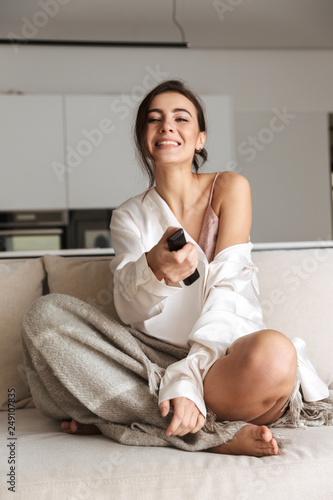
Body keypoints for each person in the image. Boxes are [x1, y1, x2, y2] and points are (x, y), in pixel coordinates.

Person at [55, 80, 330, 455]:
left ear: (200, 138)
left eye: (181, 118)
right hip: (152, 360)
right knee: (45, 316)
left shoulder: (230, 187)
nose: (167, 126)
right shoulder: (129, 216)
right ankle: (213, 436)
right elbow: (127, 310)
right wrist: (155, 268)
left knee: (277, 353)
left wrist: (187, 374)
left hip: (225, 359)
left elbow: (230, 290)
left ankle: (128, 416)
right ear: (143, 139)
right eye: (155, 119)